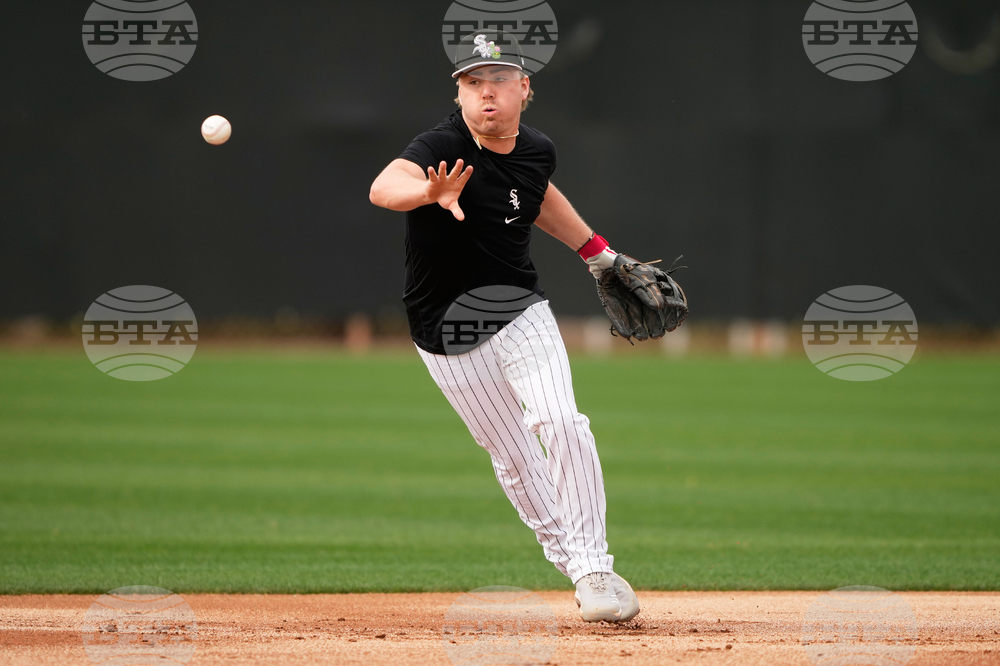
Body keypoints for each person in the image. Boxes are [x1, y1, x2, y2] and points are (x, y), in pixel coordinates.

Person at [369, 30, 638, 622]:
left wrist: (598, 252)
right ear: (459, 95)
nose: (484, 93)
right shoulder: (441, 144)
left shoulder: (537, 149)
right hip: (444, 330)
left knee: (560, 421)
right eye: (471, 83)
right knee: (514, 455)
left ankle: (596, 569)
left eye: (496, 81)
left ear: (524, 89)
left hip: (517, 308)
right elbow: (383, 188)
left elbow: (537, 198)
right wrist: (427, 192)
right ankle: (576, 564)